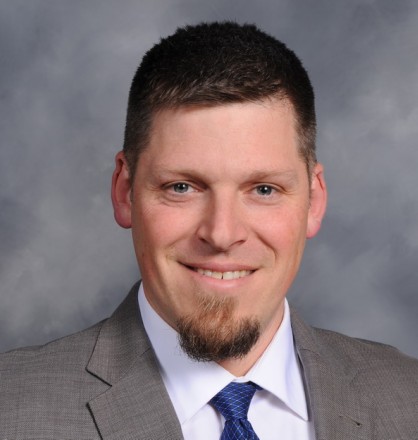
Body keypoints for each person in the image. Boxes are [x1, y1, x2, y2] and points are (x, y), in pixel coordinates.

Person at [1, 21, 417, 440]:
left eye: (264, 189)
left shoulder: (408, 398)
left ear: (314, 200)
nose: (221, 234)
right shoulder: (11, 410)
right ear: (125, 192)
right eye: (182, 187)